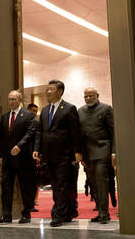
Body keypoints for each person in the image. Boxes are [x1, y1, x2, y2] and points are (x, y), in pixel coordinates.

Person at [33, 80, 82, 227]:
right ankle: (68, 212)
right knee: (56, 184)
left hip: (64, 154)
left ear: (60, 91)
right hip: (48, 155)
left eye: (51, 89)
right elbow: (40, 131)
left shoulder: (69, 108)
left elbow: (75, 132)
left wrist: (78, 152)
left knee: (61, 185)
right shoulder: (45, 110)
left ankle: (58, 214)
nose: (48, 92)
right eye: (47, 89)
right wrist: (37, 148)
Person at [0, 90, 36, 224]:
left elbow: (30, 133)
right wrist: (1, 155)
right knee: (6, 186)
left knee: (25, 186)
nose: (11, 102)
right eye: (9, 99)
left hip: (23, 157)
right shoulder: (5, 117)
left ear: (20, 100)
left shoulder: (28, 115)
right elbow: (2, 138)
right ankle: (6, 215)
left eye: (13, 99)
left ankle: (26, 214)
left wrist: (19, 146)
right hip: (7, 159)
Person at [78, 87, 115, 224]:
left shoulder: (106, 109)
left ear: (97, 95)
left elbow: (113, 132)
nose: (88, 98)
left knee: (101, 182)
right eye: (86, 96)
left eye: (91, 96)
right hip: (87, 154)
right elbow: (79, 135)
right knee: (93, 184)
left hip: (102, 151)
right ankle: (100, 212)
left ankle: (104, 214)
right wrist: (80, 153)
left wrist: (114, 151)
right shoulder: (80, 111)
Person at [27, 103, 41, 211]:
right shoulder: (23, 121)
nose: (34, 113)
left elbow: (38, 139)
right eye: (32, 110)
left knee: (35, 179)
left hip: (34, 155)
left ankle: (34, 200)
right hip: (23, 154)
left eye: (36, 111)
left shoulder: (37, 123)